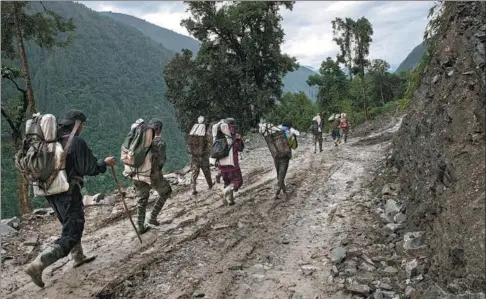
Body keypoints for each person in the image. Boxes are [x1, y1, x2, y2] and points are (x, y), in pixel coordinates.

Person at [24, 109, 116, 288]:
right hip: (68, 192)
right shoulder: (76, 141)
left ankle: (78, 256)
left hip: (51, 192)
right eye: (82, 124)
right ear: (76, 124)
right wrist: (104, 163)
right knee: (72, 231)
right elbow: (90, 168)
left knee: (70, 223)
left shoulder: (50, 140)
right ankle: (38, 264)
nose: (82, 128)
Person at [124, 118, 172, 234]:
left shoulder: (138, 139)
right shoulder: (159, 142)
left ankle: (140, 226)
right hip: (152, 175)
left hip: (137, 174)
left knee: (141, 200)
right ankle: (152, 217)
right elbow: (161, 161)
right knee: (166, 192)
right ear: (158, 128)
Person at [215, 118, 244, 205]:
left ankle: (231, 200)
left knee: (228, 182)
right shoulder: (235, 135)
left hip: (222, 164)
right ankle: (224, 192)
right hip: (233, 164)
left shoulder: (219, 135)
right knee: (238, 181)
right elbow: (240, 148)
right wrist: (240, 139)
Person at [189, 116, 214, 195]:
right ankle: (210, 184)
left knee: (194, 172)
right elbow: (209, 144)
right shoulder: (205, 132)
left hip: (194, 156)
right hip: (203, 156)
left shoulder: (194, 130)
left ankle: (193, 188)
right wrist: (207, 153)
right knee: (206, 171)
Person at [275, 119, 297, 199]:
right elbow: (294, 146)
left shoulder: (275, 132)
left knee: (279, 173)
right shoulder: (289, 133)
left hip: (276, 156)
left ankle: (280, 188)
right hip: (285, 156)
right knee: (282, 174)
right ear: (289, 126)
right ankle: (282, 191)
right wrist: (294, 137)